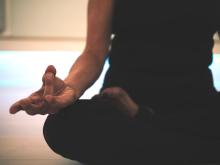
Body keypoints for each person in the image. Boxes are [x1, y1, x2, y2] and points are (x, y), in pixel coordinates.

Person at [9, 0, 220, 164]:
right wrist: (71, 88)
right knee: (62, 126)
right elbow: (93, 53)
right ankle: (182, 147)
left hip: (194, 103)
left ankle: (144, 130)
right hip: (120, 104)